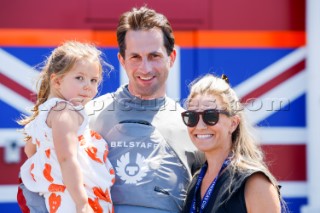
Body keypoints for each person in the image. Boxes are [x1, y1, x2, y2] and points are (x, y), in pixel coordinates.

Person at [17, 6, 203, 213]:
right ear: (122, 60)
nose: (145, 68)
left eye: (154, 56)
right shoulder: (86, 115)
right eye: (135, 57)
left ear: (172, 57)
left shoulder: (193, 126)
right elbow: (41, 172)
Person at [18, 41, 115, 213]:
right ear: (57, 81)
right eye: (79, 78)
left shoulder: (46, 112)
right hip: (73, 198)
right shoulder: (65, 112)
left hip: (59, 195)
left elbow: (30, 150)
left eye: (94, 80)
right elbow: (67, 159)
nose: (88, 86)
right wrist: (81, 202)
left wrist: (49, 170)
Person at [181, 74, 287, 213]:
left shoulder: (254, 182)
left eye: (211, 116)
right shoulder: (195, 181)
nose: (200, 126)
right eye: (192, 116)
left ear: (233, 123)